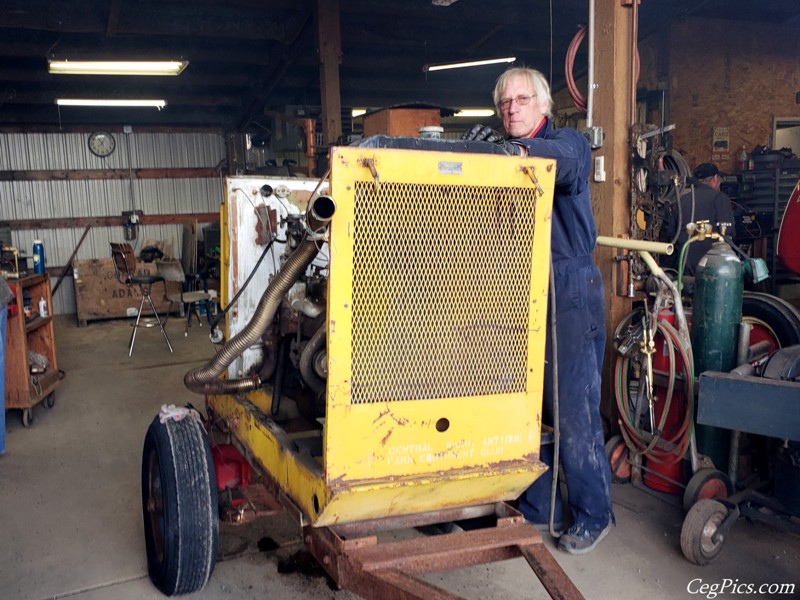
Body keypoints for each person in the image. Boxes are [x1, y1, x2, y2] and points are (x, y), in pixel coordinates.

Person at [462, 67, 613, 555]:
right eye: (504, 102)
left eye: (521, 100)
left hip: (567, 287)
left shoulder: (564, 143)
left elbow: (565, 163)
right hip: (514, 290)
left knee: (574, 409)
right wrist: (477, 157)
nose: (511, 108)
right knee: (520, 406)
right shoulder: (504, 157)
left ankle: (595, 513)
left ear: (542, 105)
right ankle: (534, 504)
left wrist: (515, 152)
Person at [670, 162, 737, 275]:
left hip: (684, 268)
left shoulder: (682, 200)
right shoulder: (720, 198)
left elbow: (671, 233)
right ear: (715, 178)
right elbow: (729, 232)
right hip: (713, 268)